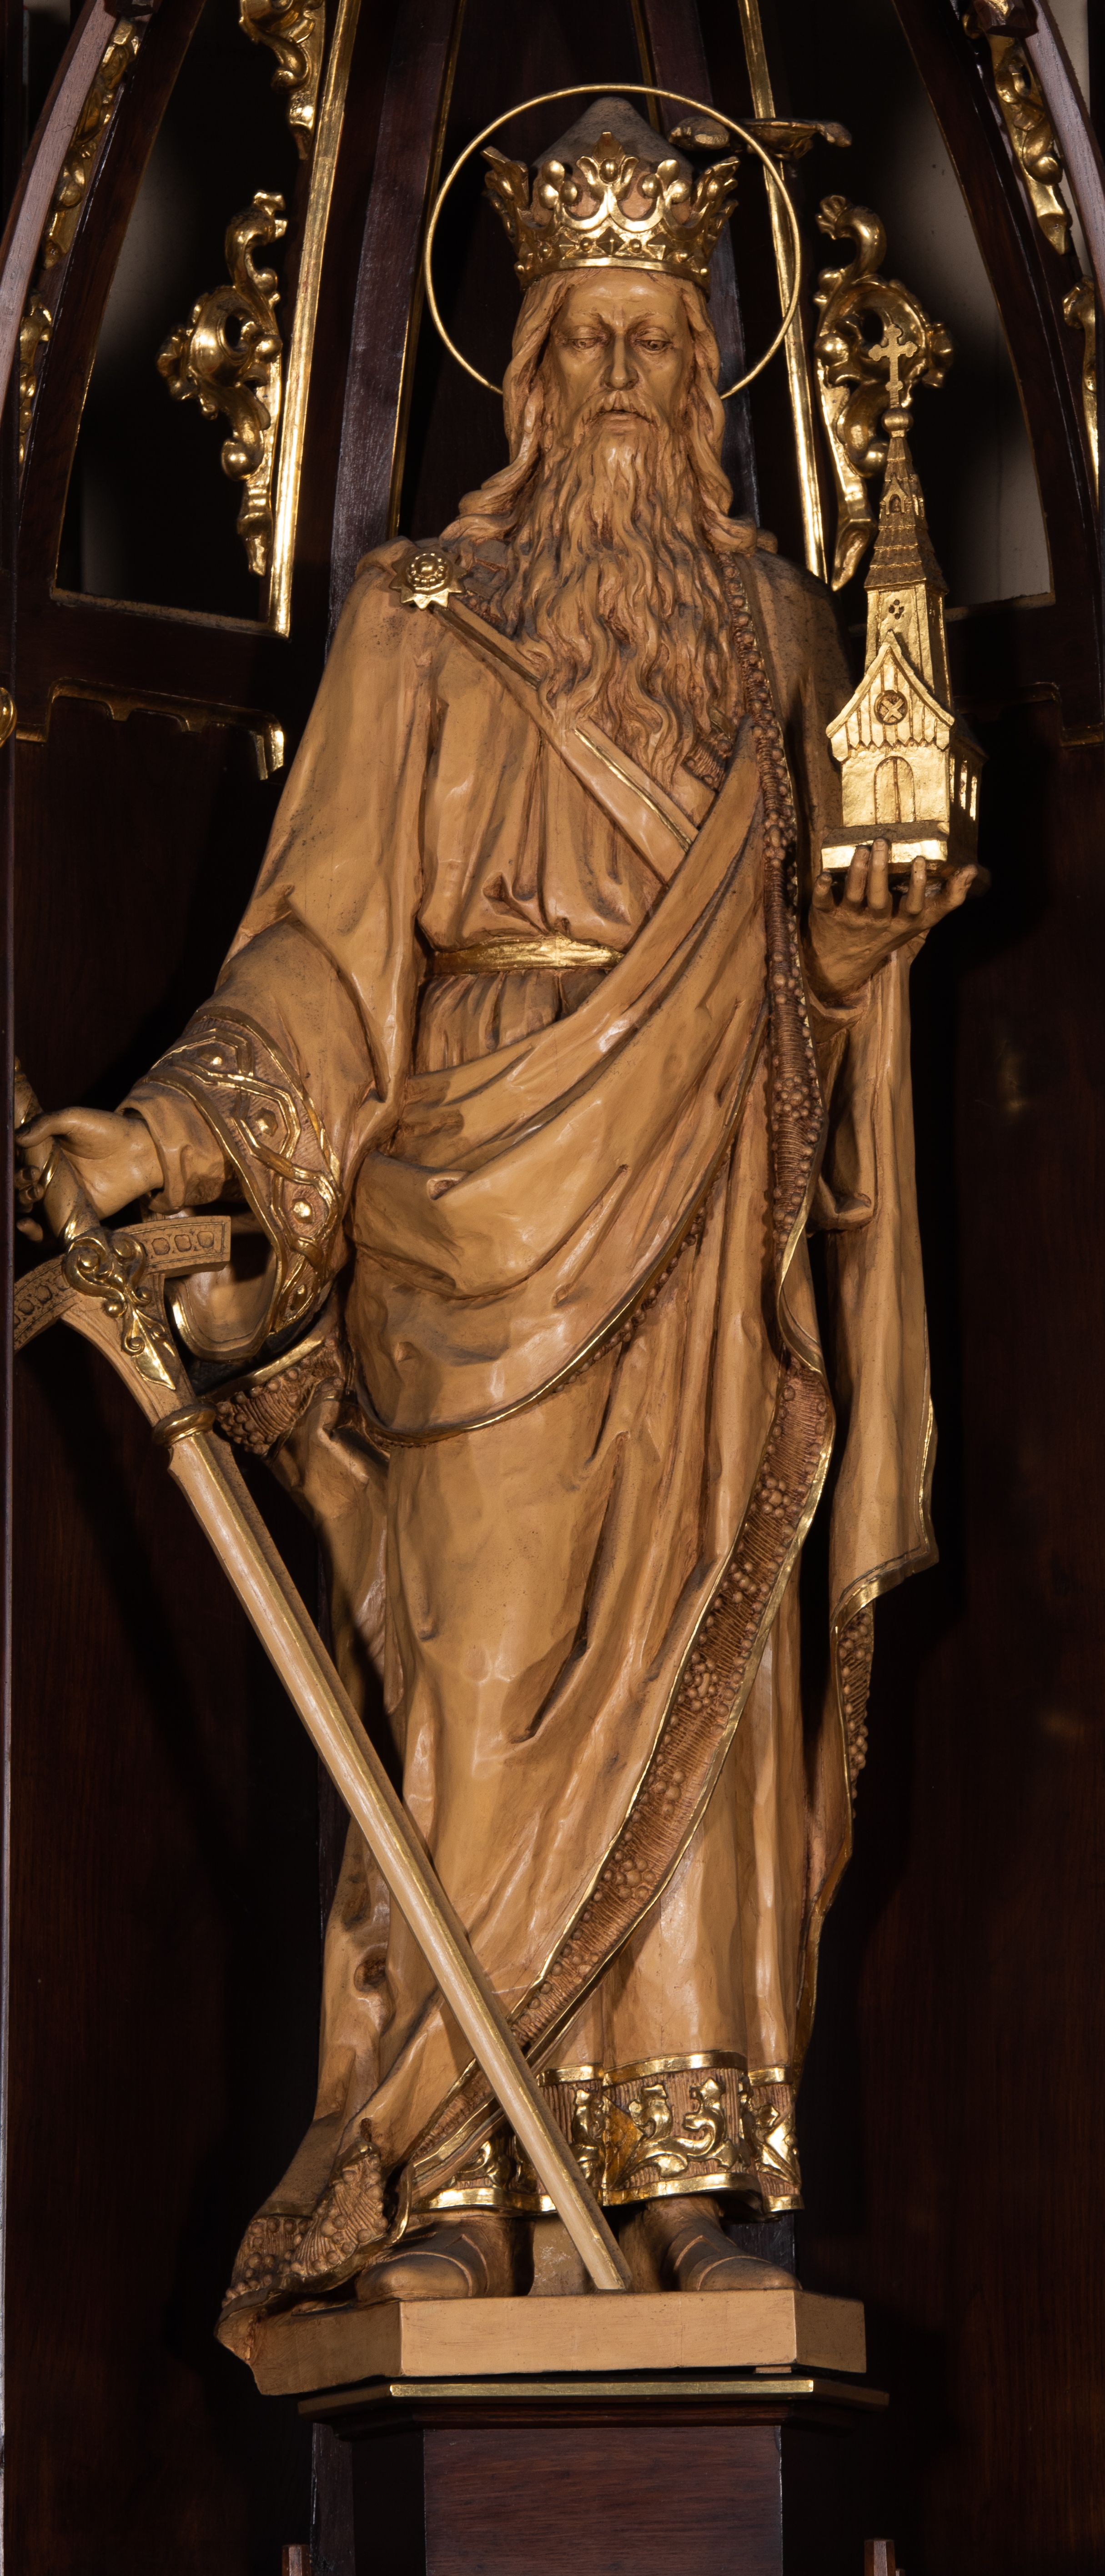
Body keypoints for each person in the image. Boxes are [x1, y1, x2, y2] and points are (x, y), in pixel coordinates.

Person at [21, 101, 974, 2355]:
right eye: (592, 343)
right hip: (475, 1229)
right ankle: (441, 2168)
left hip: (706, 1219)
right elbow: (320, 963)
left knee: (703, 1709)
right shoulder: (413, 622)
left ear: (704, 379)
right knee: (463, 1693)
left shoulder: (785, 627)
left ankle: (687, 2176)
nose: (628, 383)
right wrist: (163, 1144)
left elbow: (824, 959)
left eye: (662, 345)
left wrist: (861, 952)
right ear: (527, 371)